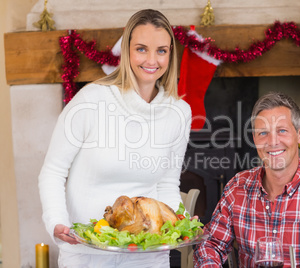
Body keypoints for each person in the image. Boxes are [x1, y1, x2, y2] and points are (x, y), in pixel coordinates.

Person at [38, 9, 191, 268]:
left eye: (162, 50)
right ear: (126, 50)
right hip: (88, 253)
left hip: (147, 254)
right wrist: (57, 222)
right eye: (141, 49)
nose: (152, 60)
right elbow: (52, 171)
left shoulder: (179, 112)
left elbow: (167, 183)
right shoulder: (90, 100)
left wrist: (182, 221)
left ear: (171, 54)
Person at [193, 92, 300, 268]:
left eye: (282, 130)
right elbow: (210, 245)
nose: (272, 142)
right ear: (255, 139)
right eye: (263, 133)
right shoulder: (238, 187)